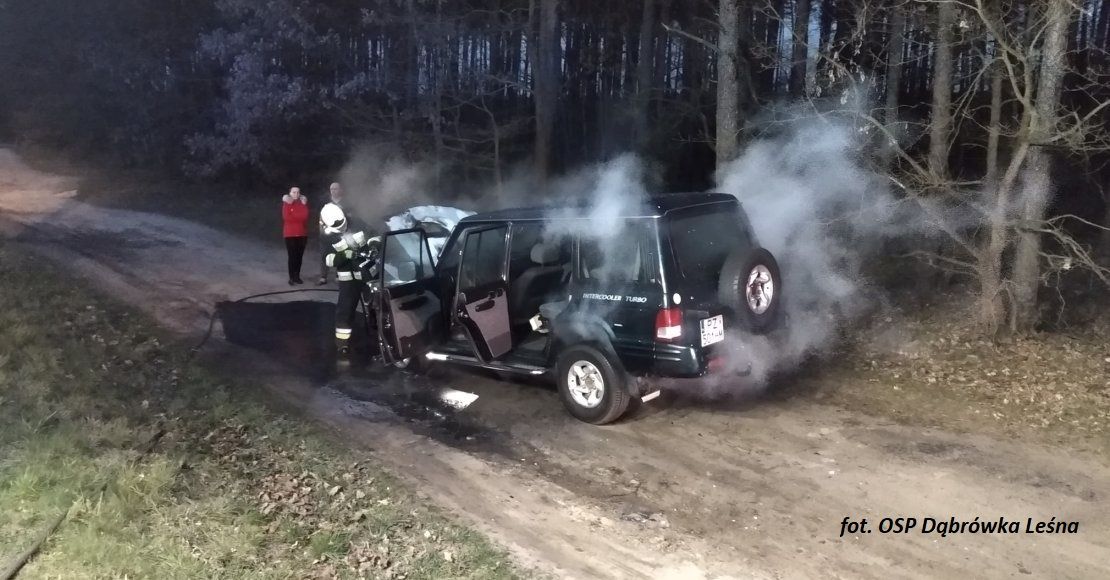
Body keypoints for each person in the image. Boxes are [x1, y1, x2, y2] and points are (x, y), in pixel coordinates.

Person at [321, 203, 380, 356]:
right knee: (345, 310)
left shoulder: (357, 222)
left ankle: (380, 336)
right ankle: (342, 343)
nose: (342, 228)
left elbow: (374, 234)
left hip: (368, 273)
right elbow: (328, 259)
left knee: (377, 305)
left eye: (342, 223)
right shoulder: (327, 236)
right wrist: (343, 255)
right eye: (337, 227)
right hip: (349, 279)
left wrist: (374, 247)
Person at [317, 182, 345, 285]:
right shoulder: (325, 202)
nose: (333, 191)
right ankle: (323, 277)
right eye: (331, 189)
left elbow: (349, 218)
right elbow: (321, 218)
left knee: (340, 254)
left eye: (335, 189)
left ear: (340, 190)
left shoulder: (346, 203)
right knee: (325, 255)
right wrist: (322, 231)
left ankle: (338, 275)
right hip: (326, 234)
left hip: (340, 235)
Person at [282, 186, 310, 285]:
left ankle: (297, 276)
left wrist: (295, 215)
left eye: (298, 192)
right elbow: (286, 217)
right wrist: (298, 216)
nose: (296, 194)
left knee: (299, 256)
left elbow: (305, 216)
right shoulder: (286, 204)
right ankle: (291, 277)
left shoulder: (303, 203)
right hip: (290, 234)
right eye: (294, 192)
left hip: (302, 234)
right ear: (290, 193)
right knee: (292, 256)